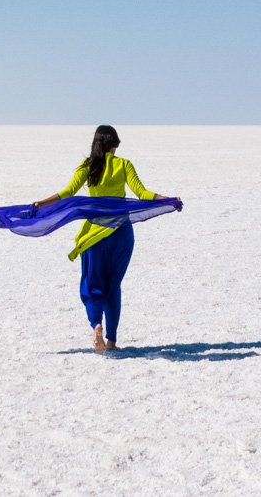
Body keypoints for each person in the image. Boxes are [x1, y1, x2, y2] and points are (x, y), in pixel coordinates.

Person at [30, 125, 169, 353]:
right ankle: (112, 342)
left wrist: (41, 203)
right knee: (113, 287)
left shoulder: (88, 166)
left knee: (94, 286)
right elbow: (141, 193)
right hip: (121, 233)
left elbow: (68, 192)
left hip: (95, 234)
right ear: (112, 144)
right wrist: (165, 199)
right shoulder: (123, 164)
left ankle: (97, 326)